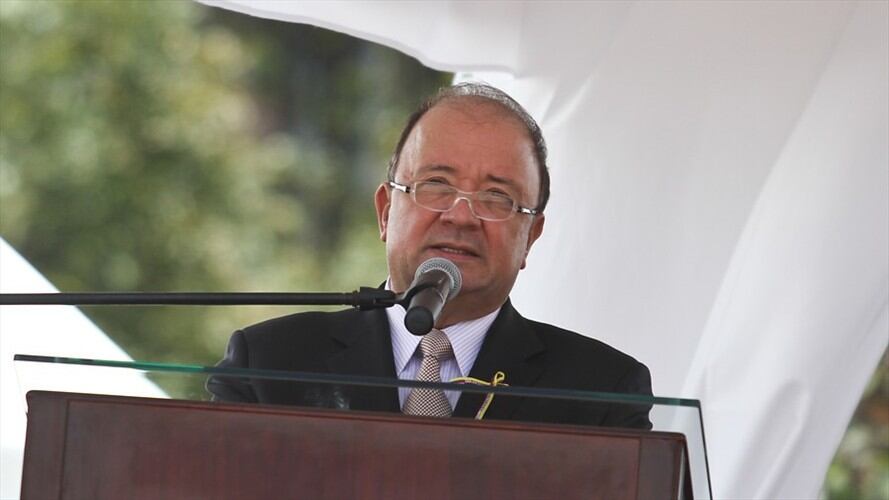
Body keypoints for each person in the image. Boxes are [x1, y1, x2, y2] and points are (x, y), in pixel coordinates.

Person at [208, 83, 652, 429]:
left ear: (530, 237)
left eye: (496, 197)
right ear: (386, 212)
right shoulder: (269, 363)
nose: (461, 216)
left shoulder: (601, 390)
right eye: (436, 185)